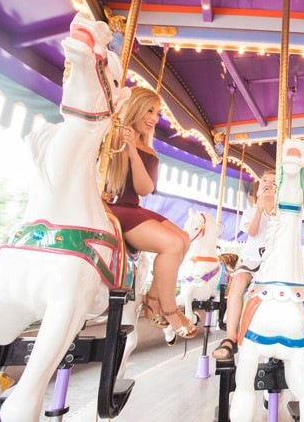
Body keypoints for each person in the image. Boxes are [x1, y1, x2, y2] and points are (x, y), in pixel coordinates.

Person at [105, 86, 196, 339]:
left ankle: (153, 297)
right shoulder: (111, 137)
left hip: (133, 207)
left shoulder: (149, 152)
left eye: (157, 113)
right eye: (149, 110)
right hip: (113, 207)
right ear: (134, 108)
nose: (154, 118)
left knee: (184, 239)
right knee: (171, 243)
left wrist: (134, 150)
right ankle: (168, 309)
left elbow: (144, 189)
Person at [211, 170, 276, 359]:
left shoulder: (282, 212)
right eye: (264, 180)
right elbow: (253, 232)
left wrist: (272, 210)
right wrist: (259, 210)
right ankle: (231, 336)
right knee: (238, 281)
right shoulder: (250, 211)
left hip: (274, 259)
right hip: (252, 260)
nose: (268, 183)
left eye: (273, 181)